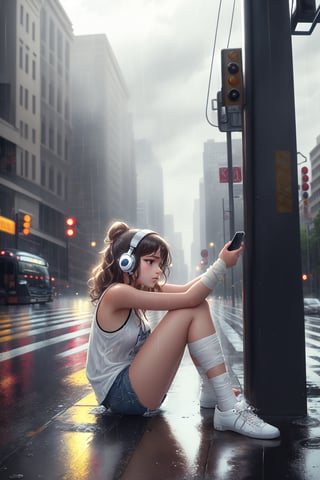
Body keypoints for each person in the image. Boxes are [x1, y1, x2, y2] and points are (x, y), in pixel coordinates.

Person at [86, 221, 280, 440]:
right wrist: (222, 266)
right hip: (122, 394)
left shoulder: (135, 288)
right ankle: (227, 407)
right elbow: (190, 298)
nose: (158, 270)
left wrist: (219, 261)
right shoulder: (117, 293)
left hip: (134, 389)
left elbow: (189, 289)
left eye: (160, 263)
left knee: (196, 306)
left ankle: (213, 394)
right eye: (150, 262)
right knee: (191, 308)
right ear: (126, 262)